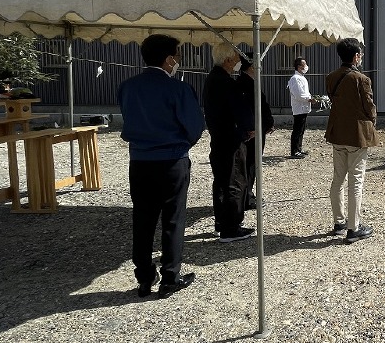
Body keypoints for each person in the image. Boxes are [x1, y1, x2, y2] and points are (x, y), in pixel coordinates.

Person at [117, 34, 205, 298]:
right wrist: (181, 144)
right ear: (169, 59)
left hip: (140, 161)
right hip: (172, 160)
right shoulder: (178, 88)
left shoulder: (128, 86)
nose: (178, 61)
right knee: (173, 219)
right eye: (177, 56)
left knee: (142, 218)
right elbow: (195, 126)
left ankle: (144, 277)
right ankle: (170, 276)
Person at [324, 38, 377, 244]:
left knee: (338, 178)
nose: (361, 57)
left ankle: (339, 222)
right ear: (356, 56)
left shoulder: (331, 77)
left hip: (337, 133)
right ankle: (353, 227)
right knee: (356, 180)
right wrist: (373, 121)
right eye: (360, 54)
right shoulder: (361, 79)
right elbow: (369, 107)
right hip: (357, 135)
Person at [203, 42, 255, 242]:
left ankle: (221, 222)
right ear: (227, 60)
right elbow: (240, 111)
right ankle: (231, 227)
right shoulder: (226, 82)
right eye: (235, 58)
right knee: (234, 181)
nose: (237, 62)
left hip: (218, 138)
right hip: (231, 139)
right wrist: (249, 128)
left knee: (222, 182)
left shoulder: (213, 79)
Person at [236, 58, 275, 211]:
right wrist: (256, 127)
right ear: (252, 66)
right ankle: (247, 196)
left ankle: (247, 194)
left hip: (256, 129)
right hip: (252, 132)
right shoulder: (246, 84)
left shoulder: (247, 82)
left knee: (251, 163)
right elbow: (252, 109)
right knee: (250, 164)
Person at [287, 56, 312, 159]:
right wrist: (309, 99)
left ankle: (299, 148)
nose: (306, 66)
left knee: (301, 129)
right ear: (298, 67)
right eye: (304, 65)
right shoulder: (295, 79)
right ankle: (294, 151)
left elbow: (305, 92)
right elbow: (298, 94)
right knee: (297, 129)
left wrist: (310, 98)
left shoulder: (302, 78)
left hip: (304, 107)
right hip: (299, 108)